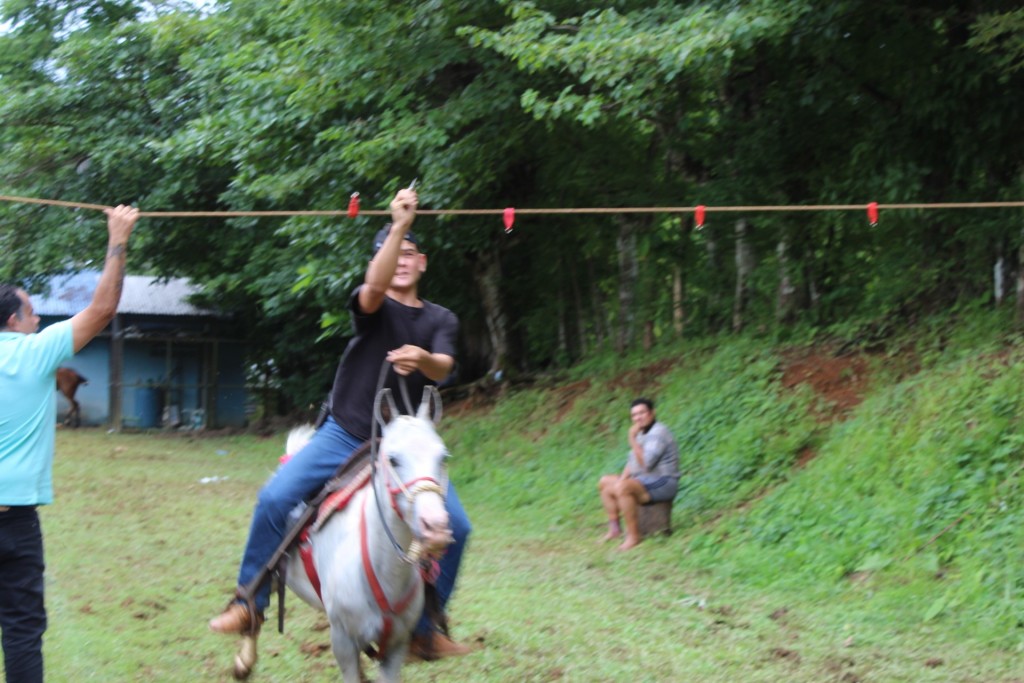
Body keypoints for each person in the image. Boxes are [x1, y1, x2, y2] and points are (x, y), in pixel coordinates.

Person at [209, 187, 472, 659]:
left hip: (403, 446)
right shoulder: (373, 306)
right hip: (346, 432)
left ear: (425, 263)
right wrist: (399, 226)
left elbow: (445, 366)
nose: (403, 260)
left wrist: (423, 357)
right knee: (275, 497)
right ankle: (250, 601)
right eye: (394, 254)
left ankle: (424, 628)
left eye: (411, 253)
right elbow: (373, 290)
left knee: (459, 525)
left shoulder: (440, 319)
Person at [0, 205, 140, 682]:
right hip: (14, 520)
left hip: (18, 517)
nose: (38, 319)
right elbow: (102, 309)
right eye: (33, 311)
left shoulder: (35, 347)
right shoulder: (37, 352)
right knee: (21, 631)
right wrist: (117, 238)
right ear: (16, 320)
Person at [598, 397, 680, 551]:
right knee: (605, 482)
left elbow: (647, 464)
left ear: (652, 413)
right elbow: (633, 462)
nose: (638, 418)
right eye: (634, 415)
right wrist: (620, 480)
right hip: (644, 480)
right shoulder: (642, 433)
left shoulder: (658, 432)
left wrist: (631, 439)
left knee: (623, 488)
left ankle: (634, 536)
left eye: (642, 413)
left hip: (664, 481)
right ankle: (615, 529)